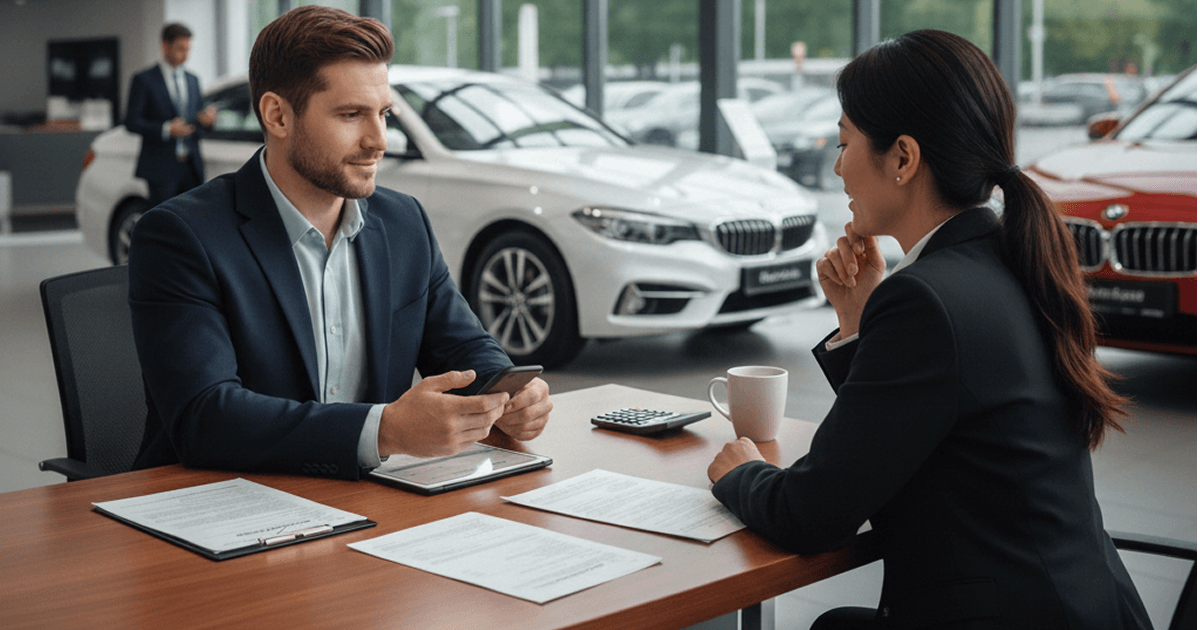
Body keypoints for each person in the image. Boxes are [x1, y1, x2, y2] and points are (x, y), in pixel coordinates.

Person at [706, 30, 1152, 630]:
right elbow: (923, 423)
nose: (837, 167)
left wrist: (738, 471)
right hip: (1084, 604)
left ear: (904, 158)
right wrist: (860, 323)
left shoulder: (925, 298)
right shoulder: (1007, 257)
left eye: (845, 143)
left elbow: (810, 514)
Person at [128, 5, 551, 479]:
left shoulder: (404, 221)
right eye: (352, 115)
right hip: (223, 503)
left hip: (368, 500)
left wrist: (511, 391)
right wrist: (384, 430)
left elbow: (465, 346)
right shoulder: (181, 237)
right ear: (277, 116)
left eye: (383, 114)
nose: (379, 140)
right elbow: (205, 418)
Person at [125, 23, 217, 207]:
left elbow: (195, 120)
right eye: (180, 49)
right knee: (163, 223)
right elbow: (131, 122)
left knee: (192, 222)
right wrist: (166, 129)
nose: (186, 55)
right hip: (161, 168)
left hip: (191, 166)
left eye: (188, 49)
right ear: (165, 46)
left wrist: (207, 121)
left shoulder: (193, 80)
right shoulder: (144, 80)